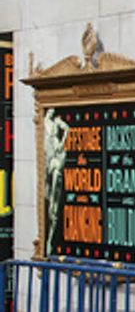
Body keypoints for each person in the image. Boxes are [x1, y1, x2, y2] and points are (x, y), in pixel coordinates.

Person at [43, 108, 69, 252]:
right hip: (50, 161)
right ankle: (48, 240)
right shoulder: (45, 129)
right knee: (50, 204)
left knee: (54, 204)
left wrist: (63, 138)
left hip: (55, 160)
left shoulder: (58, 148)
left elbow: (67, 128)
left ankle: (50, 240)